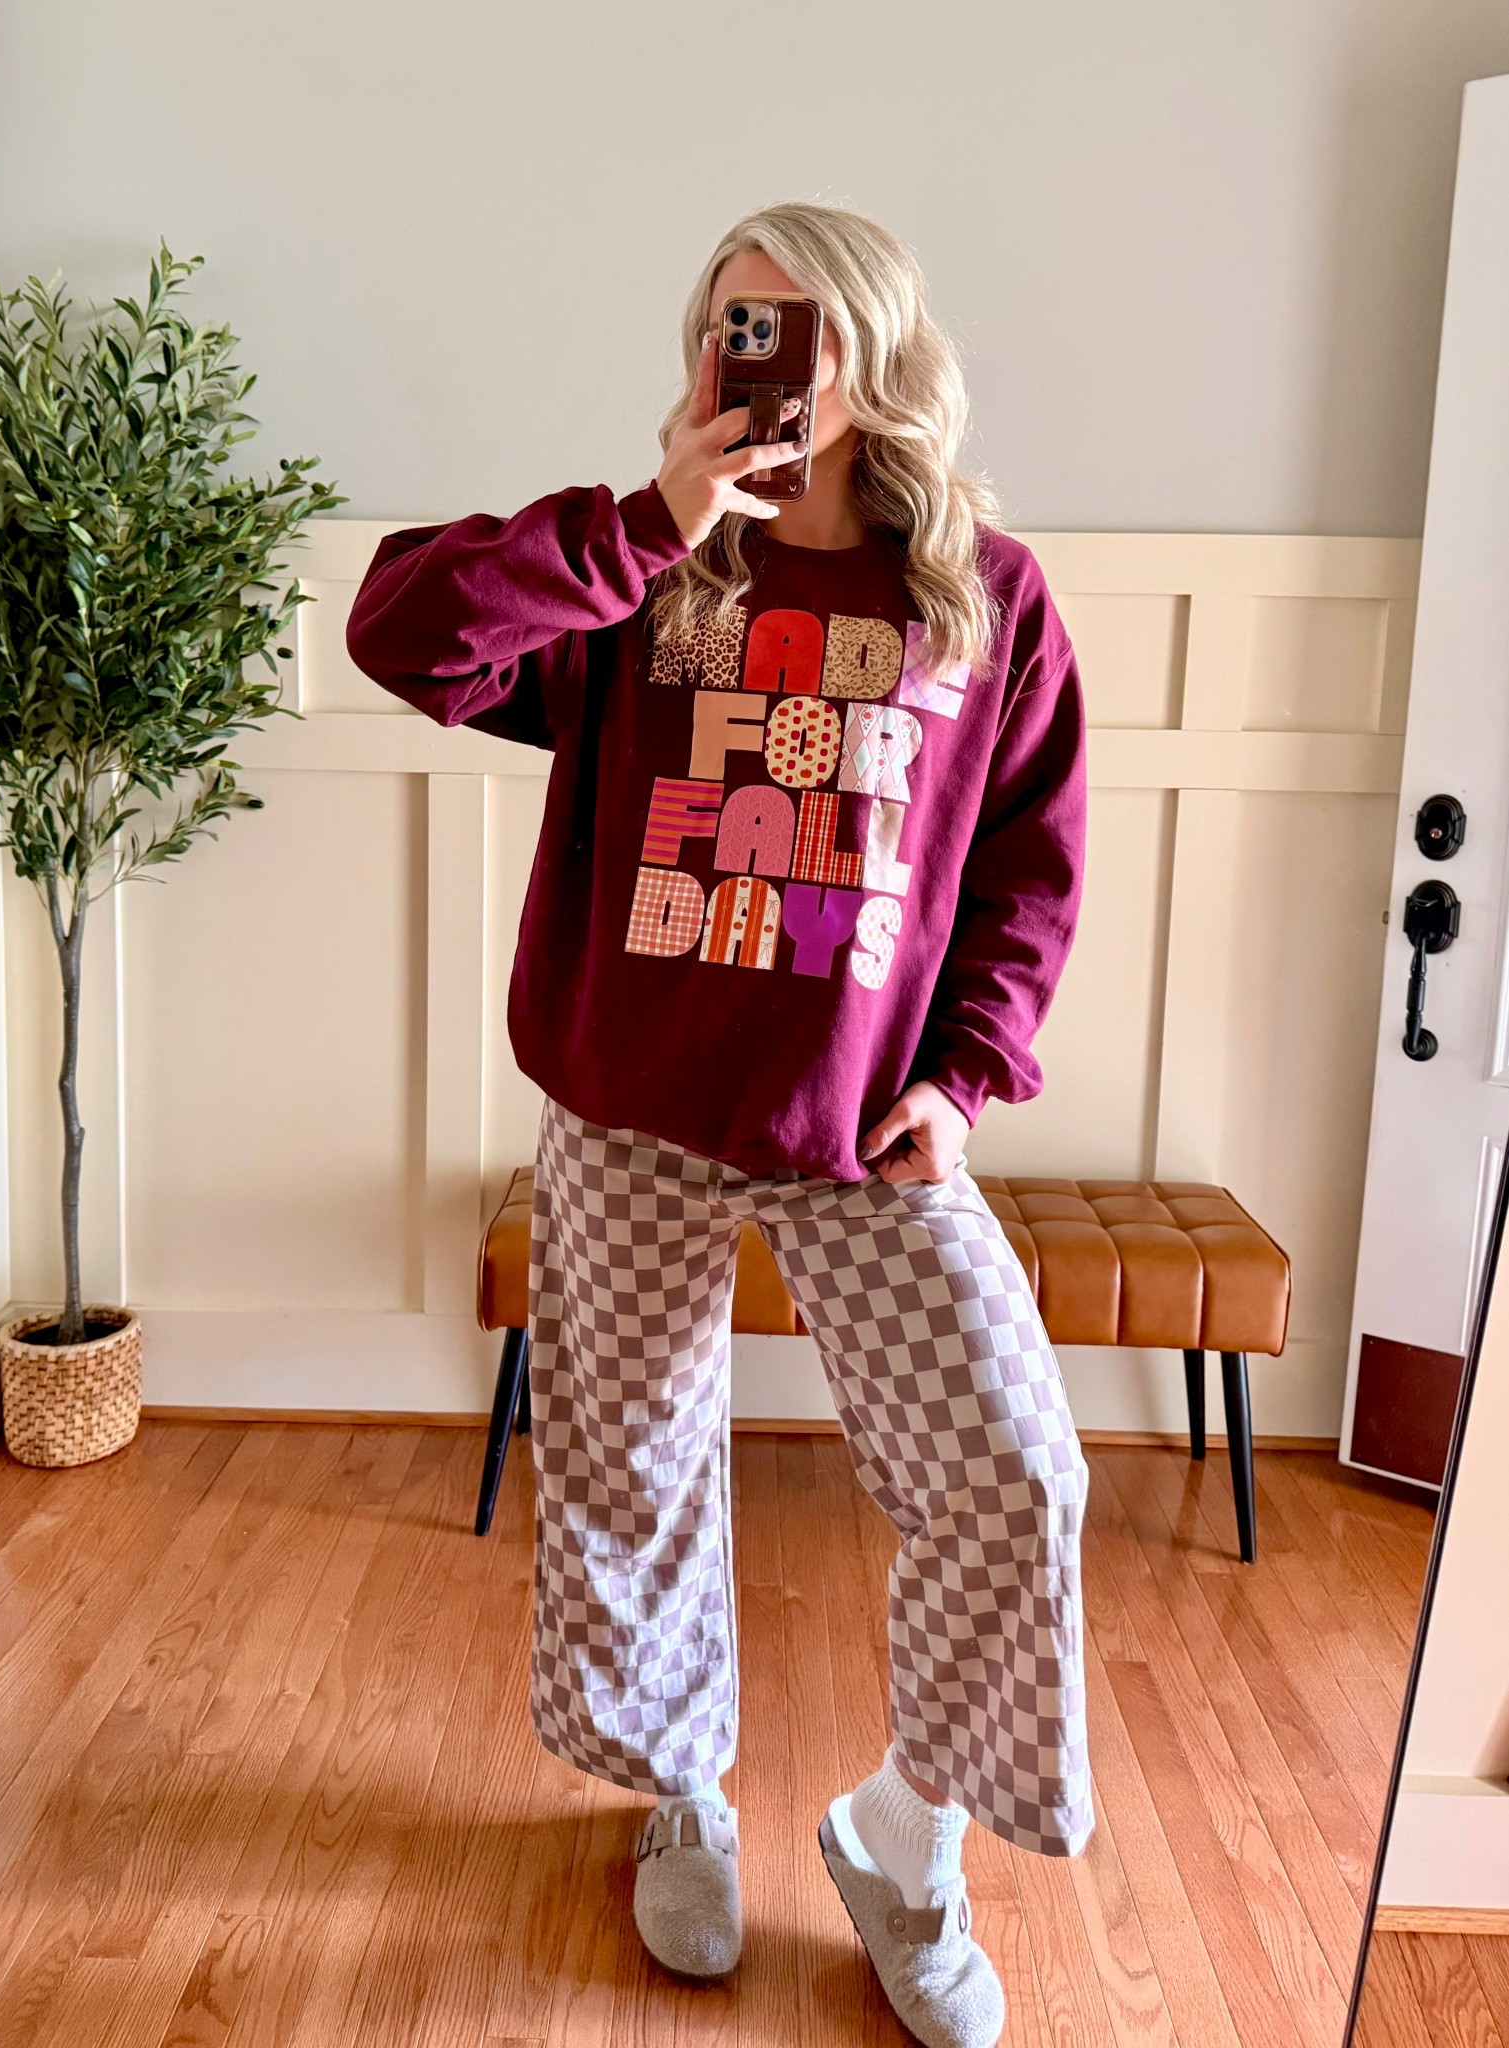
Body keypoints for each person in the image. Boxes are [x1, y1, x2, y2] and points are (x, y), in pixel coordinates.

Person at [347, 200, 1092, 2048]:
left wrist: (964, 1074)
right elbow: (401, 635)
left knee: (1015, 1472)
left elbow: (1027, 865)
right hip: (629, 1110)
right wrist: (649, 520)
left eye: (799, 326)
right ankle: (677, 1787)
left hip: (860, 1132)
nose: (761, 361)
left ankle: (904, 1839)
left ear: (876, 352)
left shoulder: (984, 598)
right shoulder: (635, 575)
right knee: (632, 1472)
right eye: (729, 326)